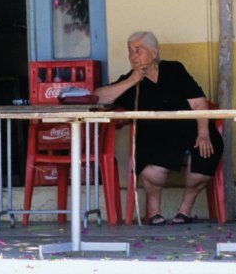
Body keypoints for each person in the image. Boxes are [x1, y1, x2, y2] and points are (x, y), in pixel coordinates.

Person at [94, 31, 223, 225]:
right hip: (155, 138)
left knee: (205, 156)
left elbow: (198, 103)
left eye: (139, 50)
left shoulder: (174, 70)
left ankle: (184, 211)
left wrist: (203, 132)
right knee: (151, 172)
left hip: (189, 131)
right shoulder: (129, 81)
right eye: (130, 51)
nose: (133, 56)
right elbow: (98, 98)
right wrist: (132, 80)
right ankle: (154, 212)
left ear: (154, 53)